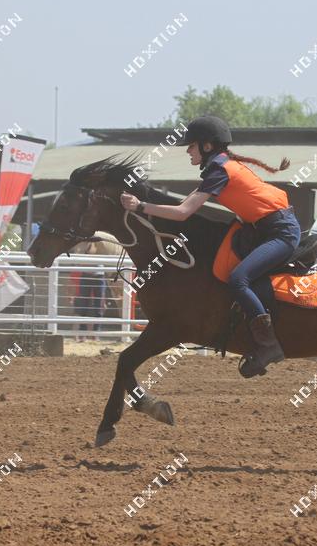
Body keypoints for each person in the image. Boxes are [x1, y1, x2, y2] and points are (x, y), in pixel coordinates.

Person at [119, 116, 300, 377]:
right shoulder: (221, 167)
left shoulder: (219, 171)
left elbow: (183, 213)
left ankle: (268, 344)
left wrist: (140, 206)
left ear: (207, 146)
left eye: (191, 145)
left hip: (280, 233)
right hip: (267, 229)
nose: (188, 151)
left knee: (238, 279)